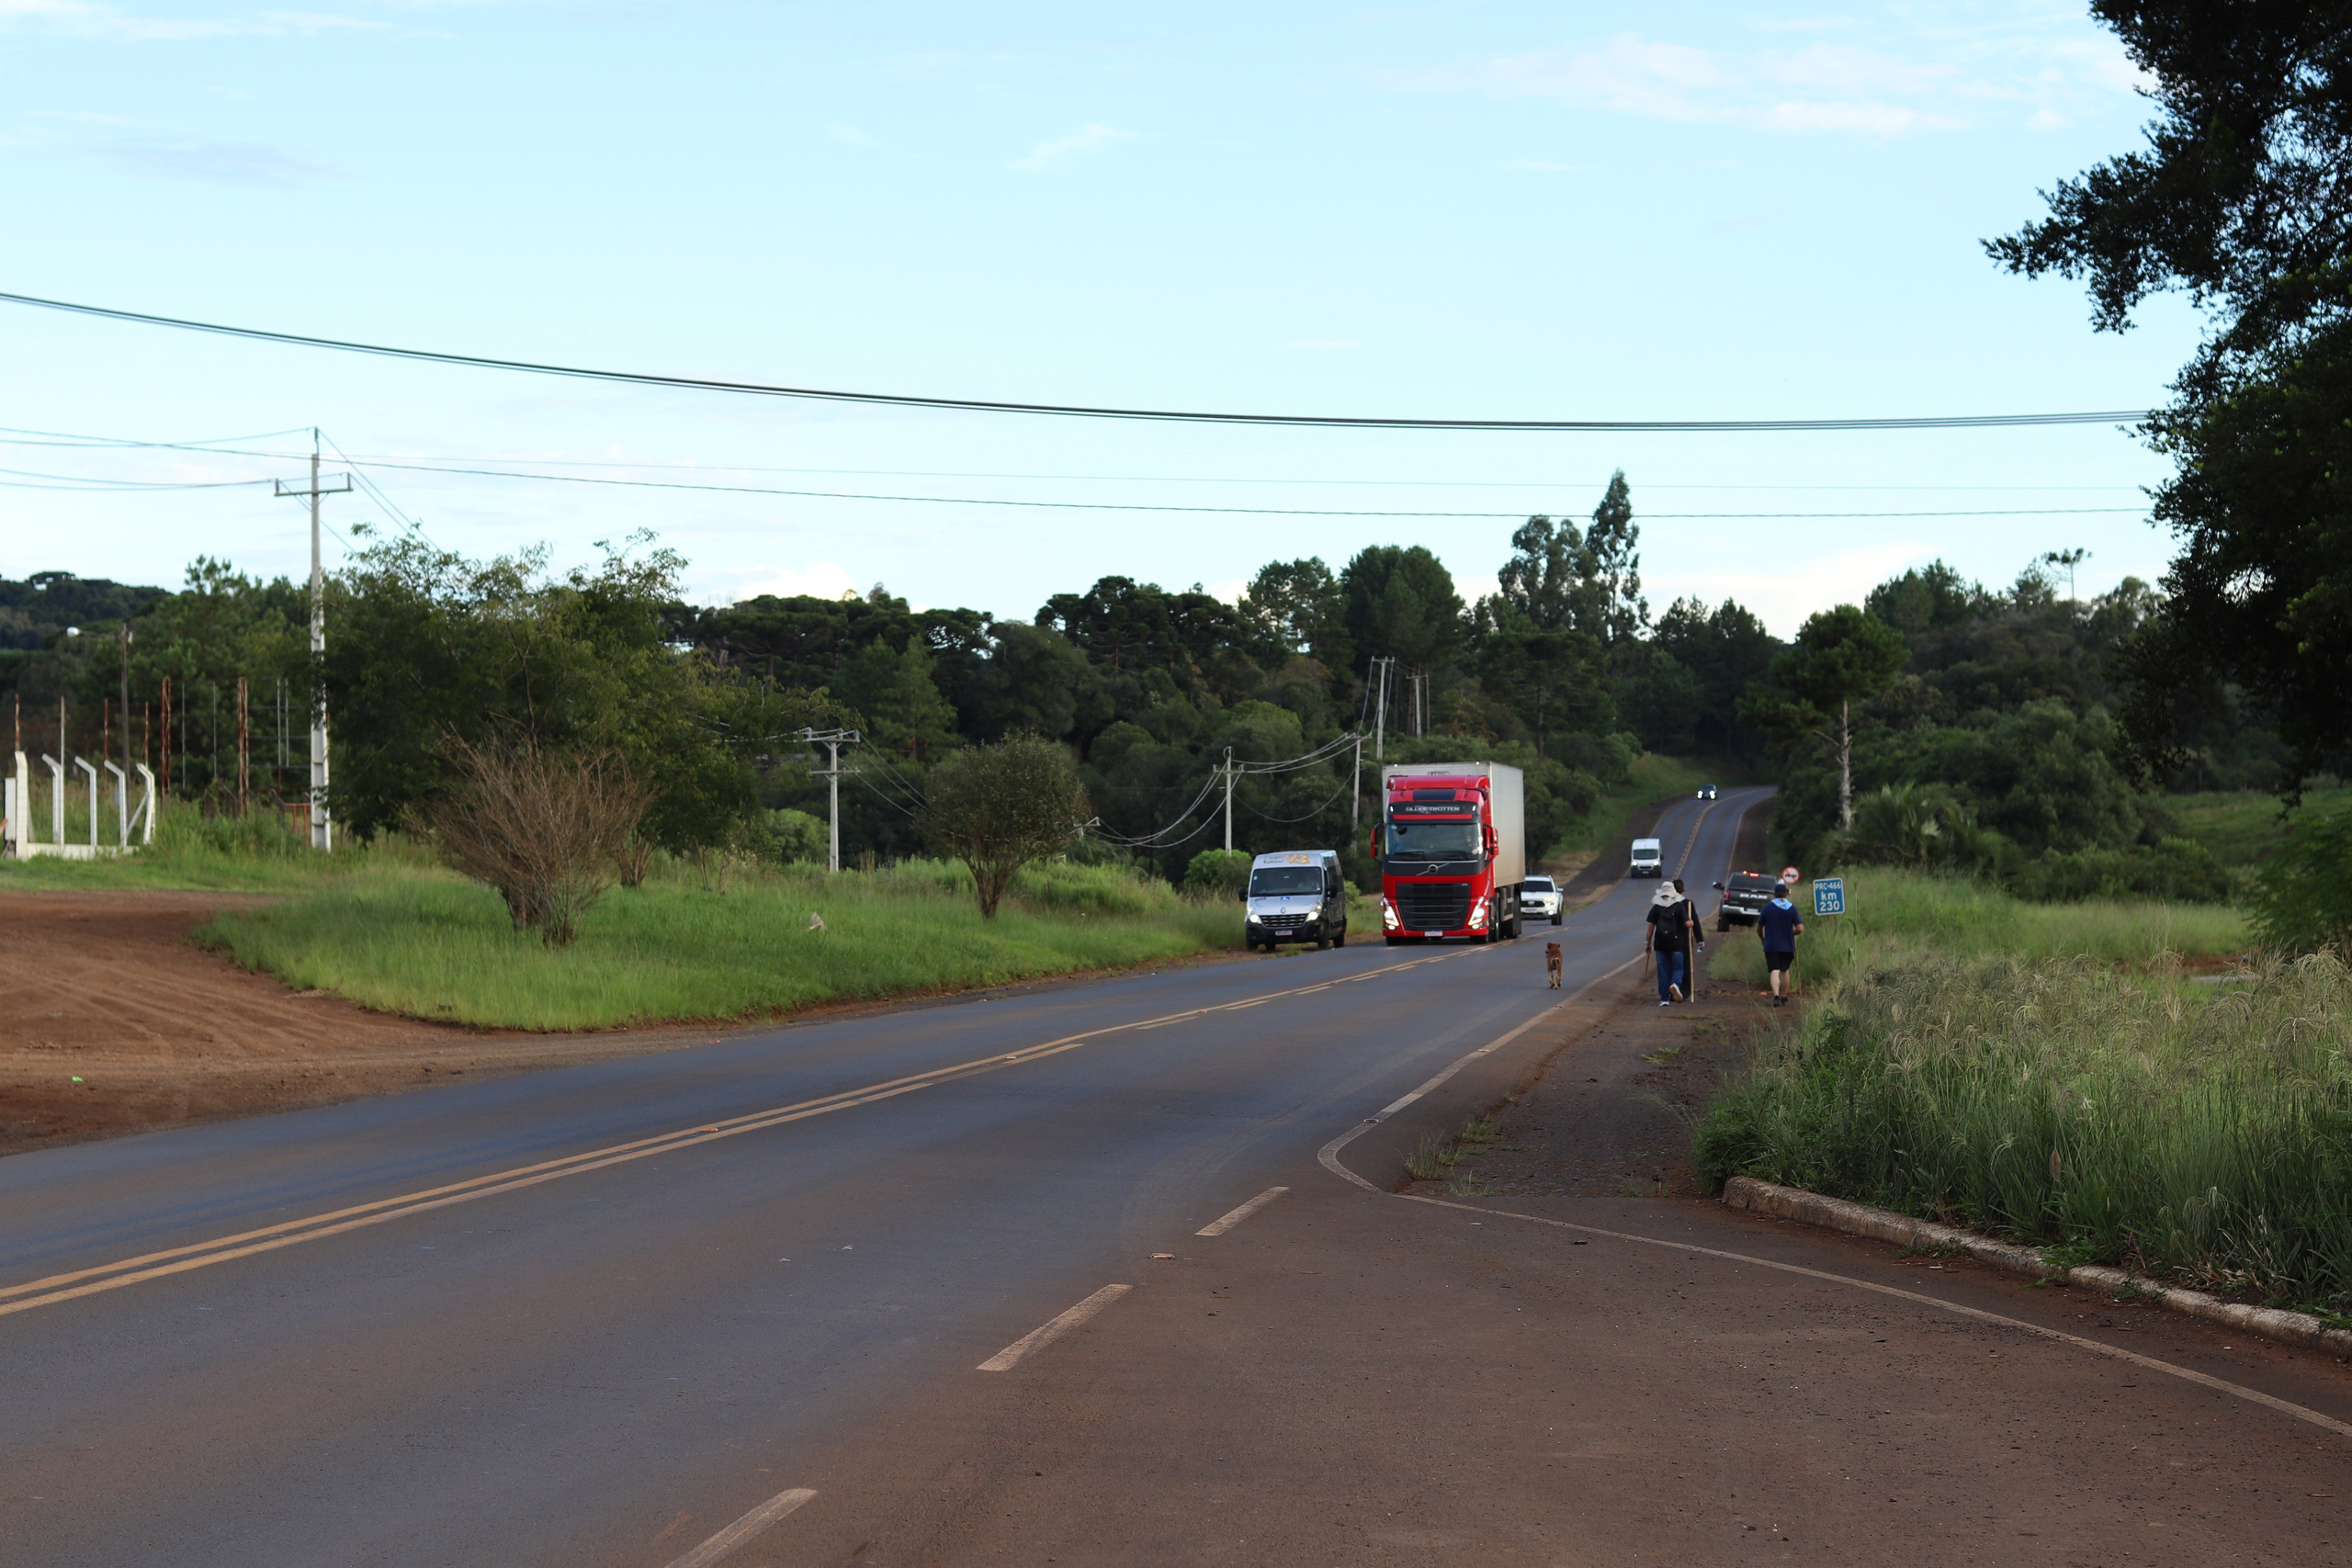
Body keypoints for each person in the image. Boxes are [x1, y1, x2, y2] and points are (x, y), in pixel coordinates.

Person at [1645, 877, 1702, 1005]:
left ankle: (1664, 999)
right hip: (1677, 944)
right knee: (1678, 968)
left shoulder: (1656, 908)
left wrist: (1648, 944)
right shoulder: (1679, 906)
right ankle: (1675, 984)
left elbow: (1650, 929)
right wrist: (1691, 922)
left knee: (1663, 970)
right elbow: (1687, 924)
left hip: (1660, 945)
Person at [1757, 884, 1804, 1006]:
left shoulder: (1767, 908)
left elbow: (1759, 928)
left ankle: (1776, 996)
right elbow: (1800, 928)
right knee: (1785, 970)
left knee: (1774, 970)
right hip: (1787, 945)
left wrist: (1762, 938)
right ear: (1787, 894)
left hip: (1771, 945)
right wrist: (1792, 933)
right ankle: (1784, 997)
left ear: (1774, 894)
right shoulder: (1792, 908)